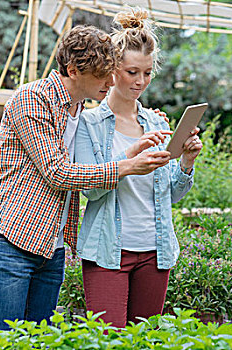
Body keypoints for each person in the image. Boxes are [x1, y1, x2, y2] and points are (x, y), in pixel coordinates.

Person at [0, 24, 173, 335]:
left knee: (40, 342)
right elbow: (58, 172)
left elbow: (105, 142)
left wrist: (137, 139)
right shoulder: (33, 99)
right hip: (9, 241)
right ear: (73, 70)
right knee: (5, 341)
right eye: (102, 76)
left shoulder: (79, 110)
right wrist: (127, 166)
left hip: (50, 245)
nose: (111, 82)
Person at [74, 8, 203, 328]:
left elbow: (170, 194)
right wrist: (130, 163)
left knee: (147, 340)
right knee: (108, 339)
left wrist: (186, 161)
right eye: (132, 72)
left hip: (155, 251)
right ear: (113, 69)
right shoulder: (89, 124)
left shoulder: (157, 123)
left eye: (147, 73)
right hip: (107, 252)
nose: (140, 81)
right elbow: (88, 188)